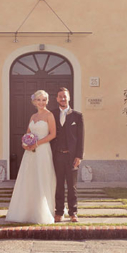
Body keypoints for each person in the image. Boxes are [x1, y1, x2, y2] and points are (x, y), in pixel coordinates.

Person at [5, 89, 57, 224]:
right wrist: (24, 143)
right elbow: (27, 133)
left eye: (44, 100)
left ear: (47, 101)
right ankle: (25, 211)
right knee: (29, 179)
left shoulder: (49, 115)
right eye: (39, 100)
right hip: (30, 153)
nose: (41, 102)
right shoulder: (33, 116)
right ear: (34, 101)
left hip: (43, 151)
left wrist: (37, 144)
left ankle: (42, 212)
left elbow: (53, 134)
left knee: (41, 177)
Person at [50, 87, 84, 222]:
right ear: (57, 99)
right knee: (58, 185)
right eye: (60, 96)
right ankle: (59, 212)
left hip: (72, 156)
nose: (63, 98)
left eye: (65, 96)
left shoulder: (77, 116)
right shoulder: (52, 114)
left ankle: (73, 212)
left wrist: (79, 156)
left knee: (72, 186)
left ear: (69, 97)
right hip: (57, 155)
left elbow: (81, 137)